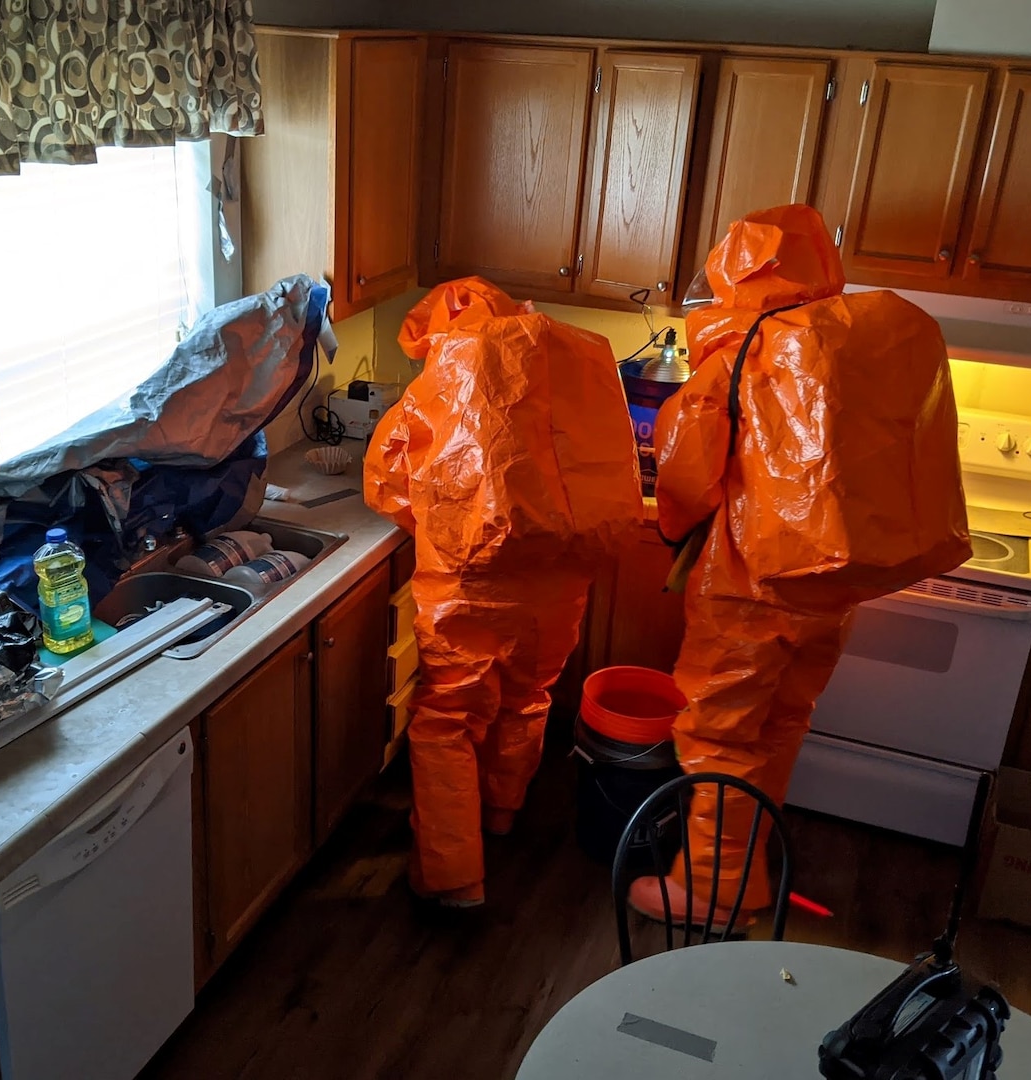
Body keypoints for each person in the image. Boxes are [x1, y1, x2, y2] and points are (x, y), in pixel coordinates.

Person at [629, 204, 972, 925]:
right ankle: (748, 866)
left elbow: (688, 473)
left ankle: (710, 895)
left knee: (718, 736)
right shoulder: (862, 338)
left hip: (751, 585)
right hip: (834, 588)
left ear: (734, 273)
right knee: (781, 724)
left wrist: (672, 528)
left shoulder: (744, 350)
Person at [366, 277, 643, 907]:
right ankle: (500, 815)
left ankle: (453, 876)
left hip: (469, 583)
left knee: (445, 722)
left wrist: (440, 523)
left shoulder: (438, 382)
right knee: (526, 698)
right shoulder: (576, 362)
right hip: (559, 584)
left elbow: (387, 487)